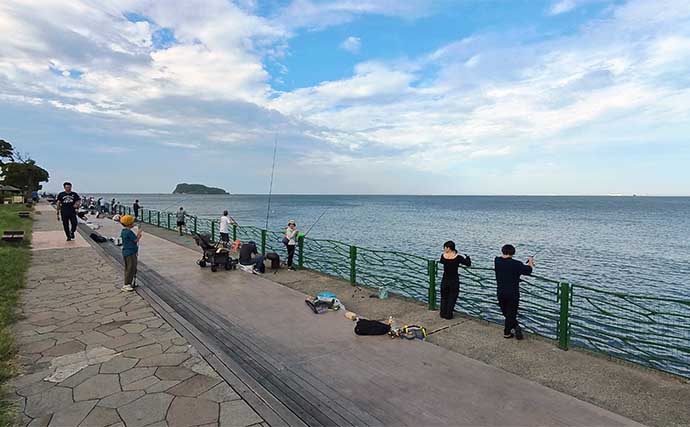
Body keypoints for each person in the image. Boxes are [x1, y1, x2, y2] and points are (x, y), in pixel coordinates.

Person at [494, 244, 534, 340]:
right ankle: (507, 332)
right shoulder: (517, 264)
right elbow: (529, 270)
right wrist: (531, 261)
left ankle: (515, 326)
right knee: (511, 313)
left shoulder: (497, 260)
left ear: (502, 250)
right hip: (513, 292)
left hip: (500, 291)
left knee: (506, 312)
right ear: (513, 253)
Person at [439, 241, 471, 320]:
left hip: (445, 279)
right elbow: (468, 264)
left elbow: (441, 261)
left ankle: (442, 313)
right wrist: (468, 257)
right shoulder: (458, 257)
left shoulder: (443, 256)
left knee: (444, 297)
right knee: (452, 297)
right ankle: (449, 314)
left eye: (445, 247)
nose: (444, 249)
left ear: (449, 248)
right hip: (454, 280)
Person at [120, 215, 143, 292]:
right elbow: (135, 240)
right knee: (130, 268)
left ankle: (130, 282)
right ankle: (126, 284)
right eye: (132, 222)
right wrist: (139, 234)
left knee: (131, 267)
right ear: (129, 224)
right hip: (130, 252)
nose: (133, 223)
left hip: (127, 252)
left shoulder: (124, 231)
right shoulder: (129, 232)